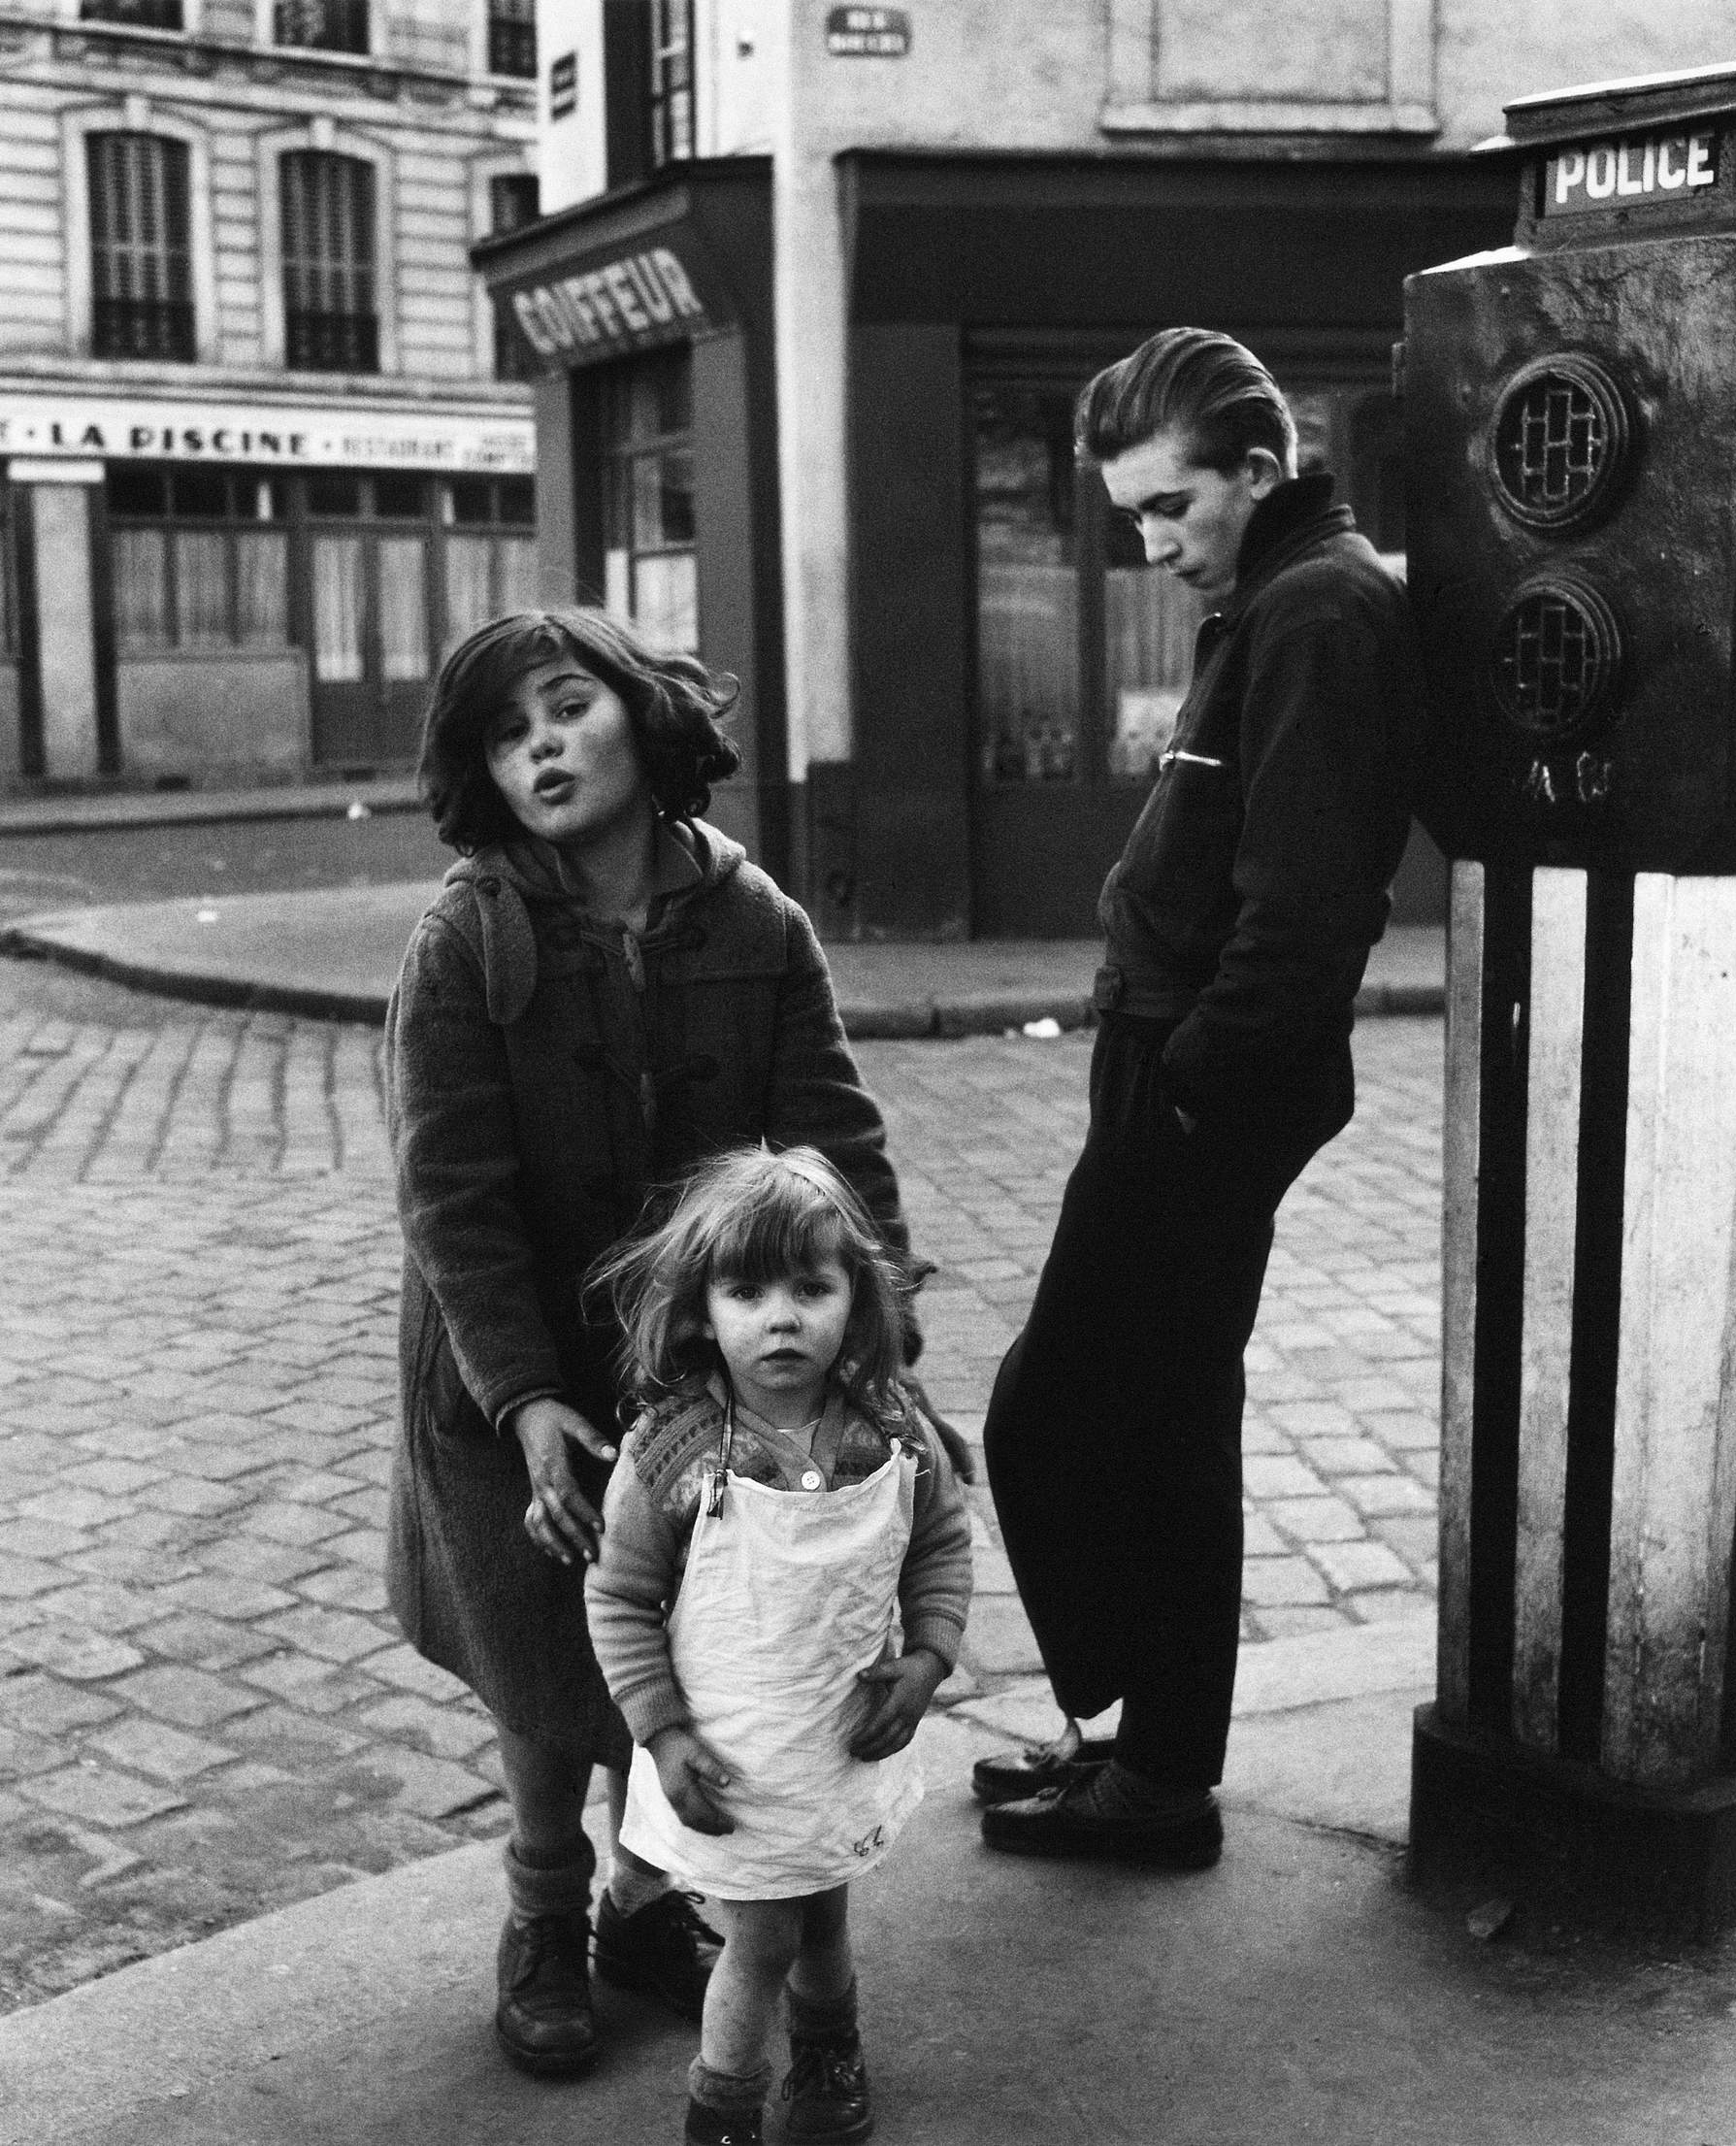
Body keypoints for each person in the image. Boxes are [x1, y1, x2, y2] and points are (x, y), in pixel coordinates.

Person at [385, 608, 955, 2079]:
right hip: (508, 1362)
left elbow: (838, 1148)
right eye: (509, 736)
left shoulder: (754, 917)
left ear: (641, 716)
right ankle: (542, 1912)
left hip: (698, 1359)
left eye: (567, 707)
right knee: (542, 1651)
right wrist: (520, 1400)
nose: (544, 746)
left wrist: (883, 1349)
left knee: (696, 1629)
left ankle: (645, 1906)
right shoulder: (466, 935)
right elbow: (449, 1190)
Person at [973, 328, 1424, 1862]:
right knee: (1151, 1410)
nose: (1155, 546)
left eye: (1174, 508)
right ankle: (1144, 1750)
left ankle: (1154, 1771)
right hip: (1175, 1059)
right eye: (1133, 520)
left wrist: (1186, 1093)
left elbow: (1303, 909)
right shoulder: (1276, 597)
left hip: (1202, 1075)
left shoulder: (1319, 610)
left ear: (1259, 466)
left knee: (1067, 1412)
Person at [586, 1145, 972, 2146]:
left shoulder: (889, 1430)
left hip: (839, 1741)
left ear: (859, 1297)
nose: (783, 1316)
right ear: (701, 1309)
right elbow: (621, 1597)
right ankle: (722, 2105)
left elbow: (938, 1545)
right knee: (760, 1937)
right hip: (732, 1756)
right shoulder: (672, 1454)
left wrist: (928, 1661)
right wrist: (662, 1735)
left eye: (811, 1286)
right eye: (747, 1291)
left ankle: (829, 2053)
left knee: (826, 1913)